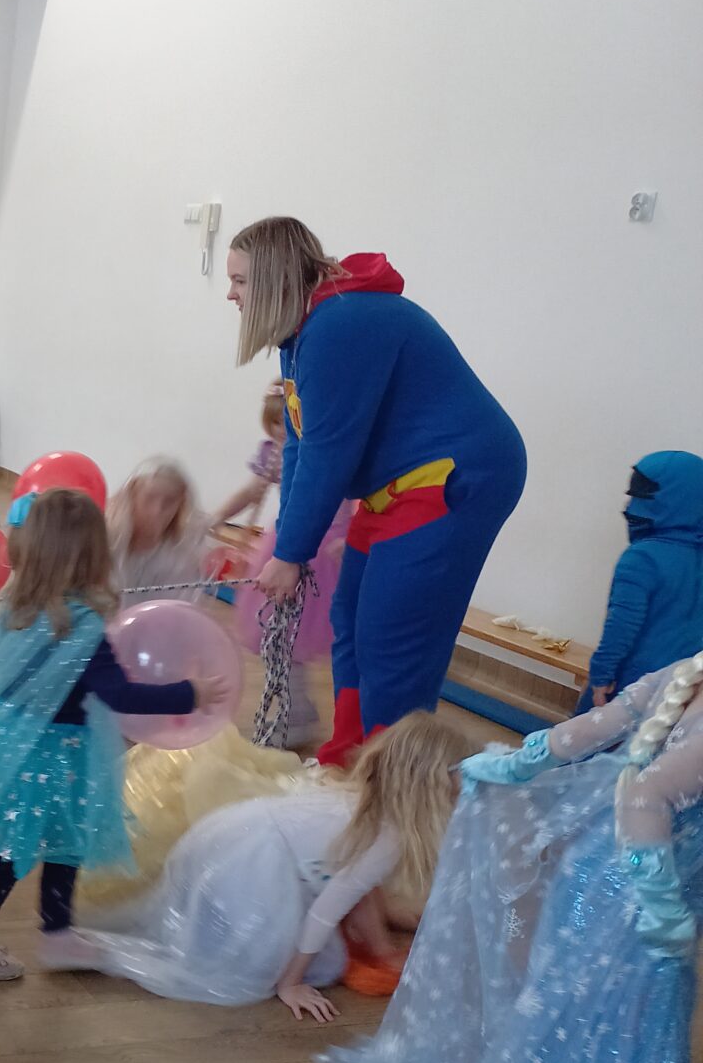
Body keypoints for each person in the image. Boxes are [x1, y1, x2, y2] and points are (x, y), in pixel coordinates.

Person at [321, 653, 703, 1063]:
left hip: (599, 873)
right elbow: (645, 796)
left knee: (597, 1018)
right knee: (633, 1026)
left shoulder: (684, 674)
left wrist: (516, 765)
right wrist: (663, 912)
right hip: (638, 896)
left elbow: (581, 733)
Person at [227, 217, 527, 767]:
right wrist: (290, 544)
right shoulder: (303, 333)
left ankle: (389, 781)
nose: (231, 294)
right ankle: (348, 758)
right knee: (350, 620)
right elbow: (299, 446)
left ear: (271, 278)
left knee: (392, 638)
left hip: (453, 478)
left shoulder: (338, 325)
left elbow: (327, 455)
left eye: (240, 280)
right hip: (400, 485)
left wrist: (291, 554)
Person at [0, 488, 222, 980]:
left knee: (59, 842)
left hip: (14, 743)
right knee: (16, 852)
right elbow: (122, 695)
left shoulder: (19, 605)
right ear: (91, 556)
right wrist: (189, 694)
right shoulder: (84, 627)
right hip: (53, 758)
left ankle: (59, 934)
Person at [62, 713, 471, 1019]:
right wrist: (290, 983)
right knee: (302, 962)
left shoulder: (367, 803)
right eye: (461, 774)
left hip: (235, 837)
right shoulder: (387, 837)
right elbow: (328, 909)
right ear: (434, 783)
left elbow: (360, 884)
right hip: (245, 868)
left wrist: (382, 948)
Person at [581, 451, 703, 712]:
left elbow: (622, 624)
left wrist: (600, 675)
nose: (630, 506)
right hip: (684, 692)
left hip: (631, 686)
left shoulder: (642, 557)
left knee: (584, 736)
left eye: (640, 496)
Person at [107, 456, 214, 607]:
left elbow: (177, 607)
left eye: (169, 502)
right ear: (132, 496)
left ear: (180, 505)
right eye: (149, 498)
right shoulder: (110, 541)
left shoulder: (181, 551)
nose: (157, 510)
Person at [214, 385, 288, 527]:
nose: (283, 429)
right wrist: (219, 515)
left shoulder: (307, 454)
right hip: (292, 520)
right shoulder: (270, 452)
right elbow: (250, 491)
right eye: (277, 423)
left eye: (288, 423)